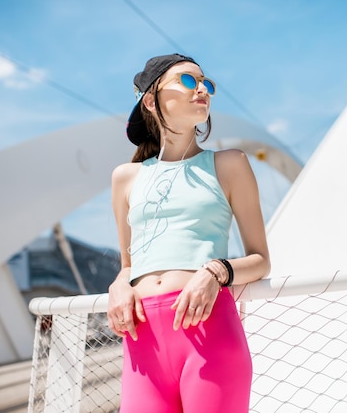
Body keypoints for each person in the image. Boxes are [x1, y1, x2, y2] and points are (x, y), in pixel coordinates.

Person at [107, 53, 270, 413]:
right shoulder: (125, 178)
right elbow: (128, 264)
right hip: (142, 340)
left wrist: (216, 271)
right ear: (151, 101)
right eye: (187, 81)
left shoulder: (229, 164)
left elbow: (260, 260)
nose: (202, 90)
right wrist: (119, 284)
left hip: (209, 332)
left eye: (206, 84)